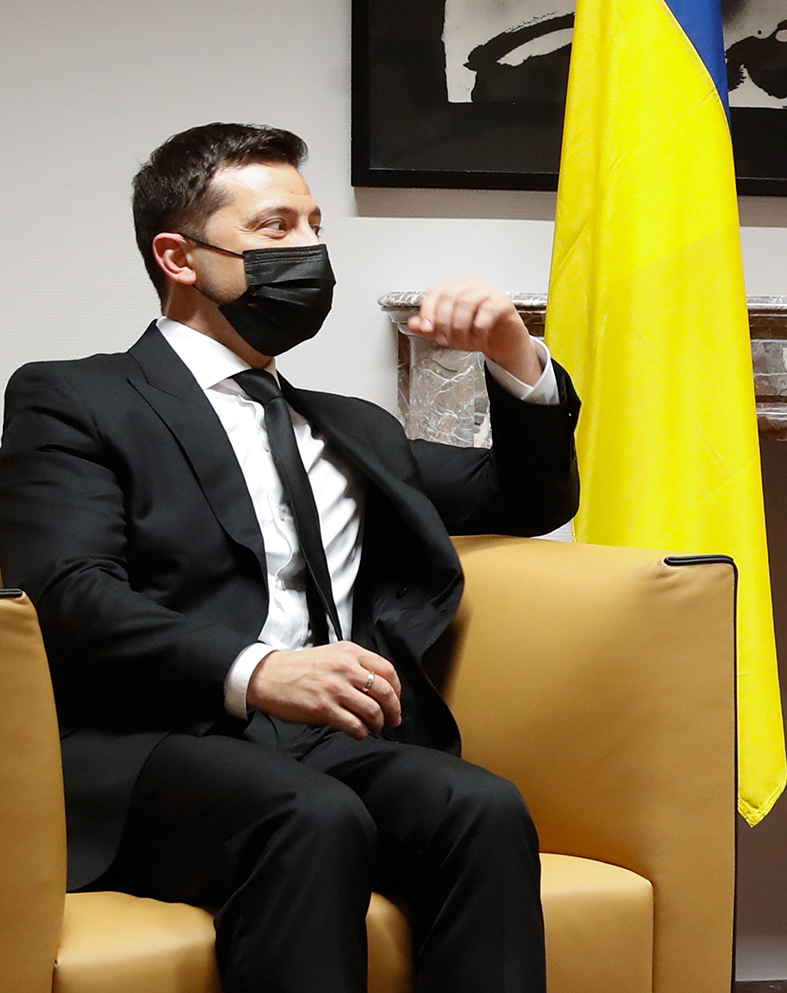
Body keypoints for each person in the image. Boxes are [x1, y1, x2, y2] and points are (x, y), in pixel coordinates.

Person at [0, 123, 582, 993]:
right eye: (276, 229)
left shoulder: (353, 427)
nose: (310, 248)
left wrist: (513, 352)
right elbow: (69, 595)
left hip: (327, 744)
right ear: (179, 257)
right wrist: (259, 670)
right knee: (310, 817)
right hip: (156, 746)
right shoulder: (73, 399)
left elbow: (532, 501)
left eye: (316, 226)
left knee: (482, 805)